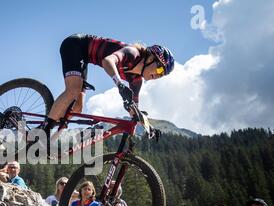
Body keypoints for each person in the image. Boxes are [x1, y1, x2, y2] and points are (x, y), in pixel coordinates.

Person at [36, 33, 175, 140]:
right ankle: (43, 131)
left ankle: (48, 133)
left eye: (162, 75)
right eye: (160, 70)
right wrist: (119, 84)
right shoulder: (132, 53)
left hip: (85, 58)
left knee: (77, 107)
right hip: (76, 45)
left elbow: (134, 109)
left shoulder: (136, 81)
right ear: (150, 58)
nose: (158, 76)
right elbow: (108, 61)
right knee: (73, 89)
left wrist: (148, 126)